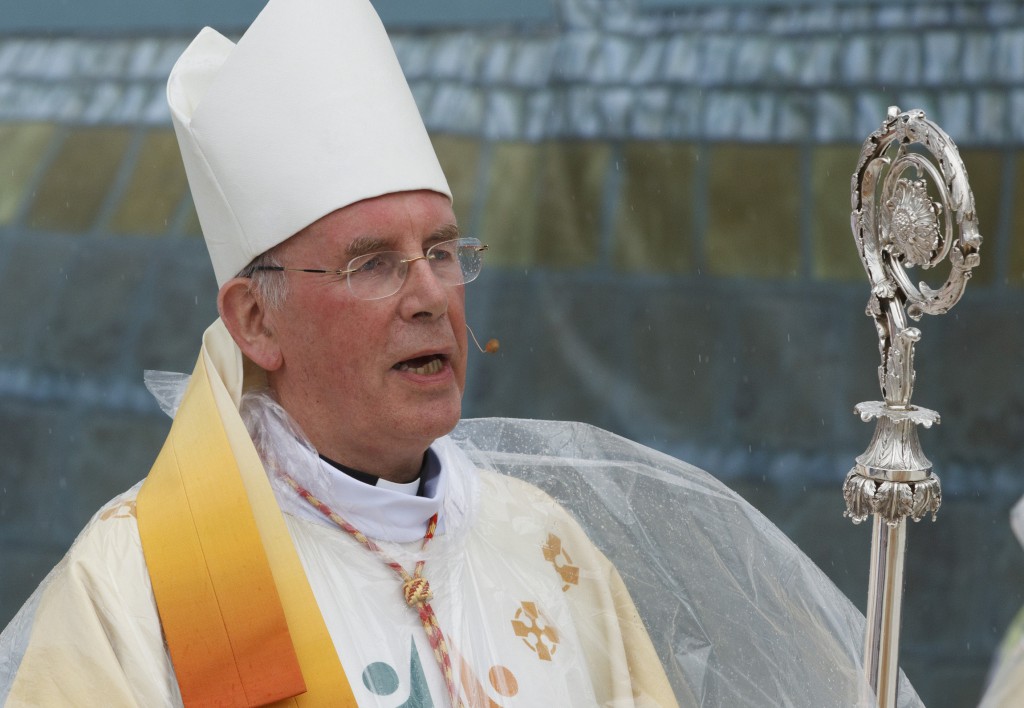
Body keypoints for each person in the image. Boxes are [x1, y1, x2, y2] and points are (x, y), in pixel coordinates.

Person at [0, 1, 928, 706]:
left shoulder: (551, 548)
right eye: (373, 265)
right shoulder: (144, 586)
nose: (432, 296)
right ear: (255, 320)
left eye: (443, 252)